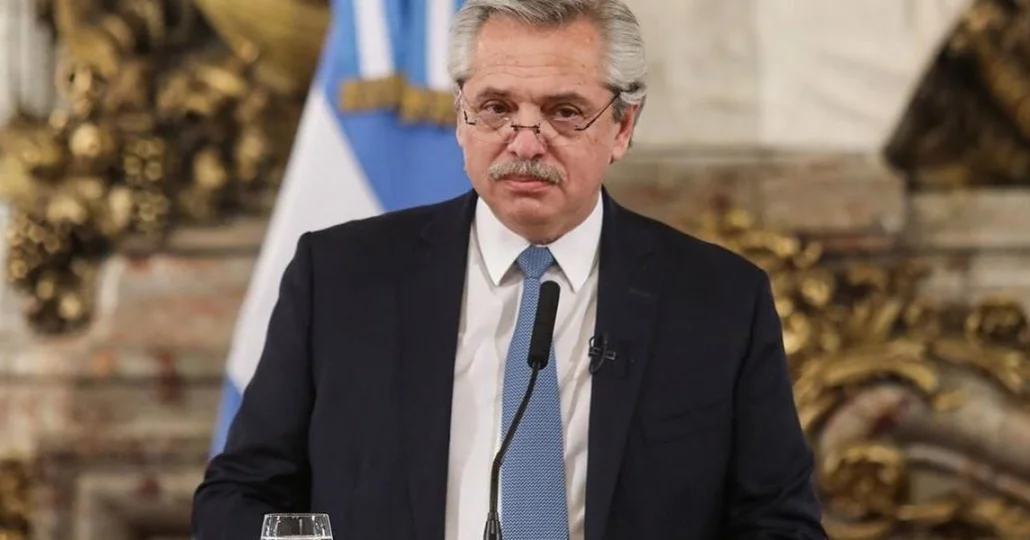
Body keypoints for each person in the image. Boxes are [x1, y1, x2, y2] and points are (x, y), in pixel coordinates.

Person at [191, 0, 827, 538]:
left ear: (623, 127)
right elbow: (239, 497)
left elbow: (779, 523)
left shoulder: (719, 301)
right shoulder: (340, 279)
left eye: (564, 112)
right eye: (496, 107)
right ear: (460, 116)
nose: (524, 142)